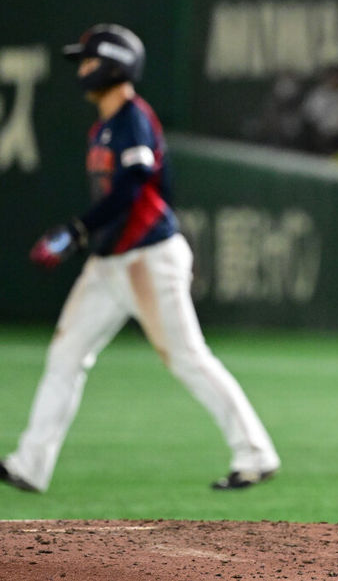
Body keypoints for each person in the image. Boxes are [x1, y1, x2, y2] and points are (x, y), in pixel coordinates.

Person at [0, 24, 280, 494]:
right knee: (66, 354)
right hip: (110, 262)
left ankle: (256, 453)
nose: (83, 69)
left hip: (148, 259)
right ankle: (30, 464)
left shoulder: (131, 116)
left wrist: (76, 229)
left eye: (89, 60)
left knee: (188, 357)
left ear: (114, 63)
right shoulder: (106, 125)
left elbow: (134, 185)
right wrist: (87, 235)